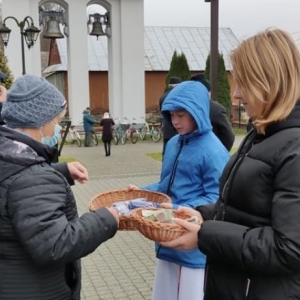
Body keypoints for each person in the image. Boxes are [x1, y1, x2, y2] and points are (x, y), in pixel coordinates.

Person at [160, 28, 300, 299]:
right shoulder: (261, 134)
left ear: (269, 81)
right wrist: (200, 213)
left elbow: (289, 249)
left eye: (243, 83)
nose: (235, 94)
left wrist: (205, 235)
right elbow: (244, 212)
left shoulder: (293, 148)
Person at [0, 74, 119, 300]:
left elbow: (13, 187)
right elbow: (54, 244)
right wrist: (107, 219)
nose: (57, 128)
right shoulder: (31, 175)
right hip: (37, 289)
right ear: (40, 121)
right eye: (56, 121)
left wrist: (60, 171)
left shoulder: (9, 154)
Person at [129, 81, 230, 300]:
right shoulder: (174, 143)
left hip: (192, 251)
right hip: (167, 241)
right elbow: (165, 186)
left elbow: (218, 198)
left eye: (181, 115)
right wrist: (141, 194)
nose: (175, 121)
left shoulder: (214, 151)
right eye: (171, 115)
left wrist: (176, 210)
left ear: (198, 113)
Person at [190, 73, 235, 151]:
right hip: (211, 151)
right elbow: (229, 136)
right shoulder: (215, 109)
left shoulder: (183, 108)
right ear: (208, 92)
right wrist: (222, 152)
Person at [159, 76, 182, 155]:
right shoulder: (180, 96)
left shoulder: (163, 97)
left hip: (167, 128)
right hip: (178, 128)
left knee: (166, 152)